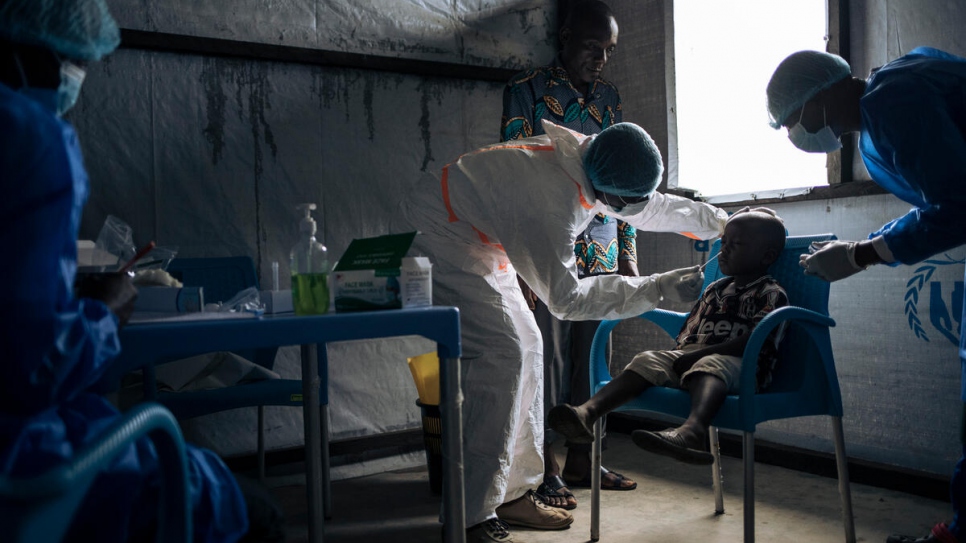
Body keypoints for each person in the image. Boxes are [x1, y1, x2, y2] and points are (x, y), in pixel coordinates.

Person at [0, 2, 283, 542]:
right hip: (24, 467)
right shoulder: (32, 141)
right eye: (74, 61)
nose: (75, 78)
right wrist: (105, 313)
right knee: (254, 515)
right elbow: (34, 370)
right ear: (31, 45)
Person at [397, 118, 728, 542]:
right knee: (502, 356)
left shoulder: (592, 161)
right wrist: (657, 286)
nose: (632, 210)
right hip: (439, 236)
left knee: (528, 346)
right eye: (626, 202)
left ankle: (514, 493)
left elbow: (651, 206)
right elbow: (567, 300)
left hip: (478, 233)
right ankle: (469, 515)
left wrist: (721, 222)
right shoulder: (549, 198)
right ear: (606, 190)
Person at [766, 47, 966, 543]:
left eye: (793, 122)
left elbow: (958, 203)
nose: (797, 135)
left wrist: (862, 254)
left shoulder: (894, 100)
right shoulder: (891, 93)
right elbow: (940, 199)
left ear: (816, 100)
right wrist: (863, 247)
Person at [500, 0, 637, 511]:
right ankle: (545, 468)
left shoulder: (609, 99)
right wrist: (519, 262)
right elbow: (515, 178)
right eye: (590, 46)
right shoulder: (527, 89)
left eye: (608, 50)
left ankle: (584, 458)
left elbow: (624, 180)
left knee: (592, 360)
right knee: (549, 359)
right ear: (564, 40)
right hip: (548, 247)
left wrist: (627, 253)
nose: (600, 59)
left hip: (599, 249)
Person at [548, 208, 788, 464]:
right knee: (647, 359)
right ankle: (587, 413)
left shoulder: (769, 292)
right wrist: (678, 357)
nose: (723, 250)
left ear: (767, 256)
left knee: (710, 365)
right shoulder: (714, 289)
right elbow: (689, 331)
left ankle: (694, 431)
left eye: (735, 244)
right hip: (694, 358)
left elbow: (755, 339)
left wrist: (696, 355)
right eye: (724, 242)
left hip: (743, 366)